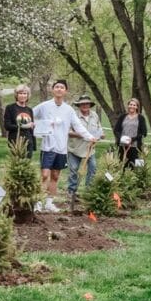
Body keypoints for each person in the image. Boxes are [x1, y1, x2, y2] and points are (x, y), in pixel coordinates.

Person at [32, 79, 97, 213]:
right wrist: (39, 126)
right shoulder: (44, 106)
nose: (59, 89)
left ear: (65, 91)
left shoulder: (69, 110)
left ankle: (49, 203)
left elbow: (78, 126)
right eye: (57, 87)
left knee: (55, 176)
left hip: (61, 148)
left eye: (62, 87)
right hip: (48, 147)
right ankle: (38, 202)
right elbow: (30, 115)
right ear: (53, 90)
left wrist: (89, 136)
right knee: (44, 175)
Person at [67, 93, 103, 200]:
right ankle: (71, 192)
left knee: (93, 168)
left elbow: (99, 129)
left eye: (87, 104)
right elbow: (68, 131)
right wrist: (81, 134)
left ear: (90, 105)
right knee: (73, 170)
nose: (85, 105)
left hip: (90, 148)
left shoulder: (95, 115)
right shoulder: (73, 116)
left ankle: (89, 191)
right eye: (82, 104)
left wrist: (100, 135)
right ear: (79, 105)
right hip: (75, 148)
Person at [3, 84, 36, 156]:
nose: (23, 95)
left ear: (28, 95)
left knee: (27, 164)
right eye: (20, 93)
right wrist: (23, 126)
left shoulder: (29, 110)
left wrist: (33, 144)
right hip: (15, 141)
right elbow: (7, 126)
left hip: (28, 141)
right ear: (16, 95)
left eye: (25, 93)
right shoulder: (10, 108)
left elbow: (31, 129)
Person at [113, 98, 147, 168]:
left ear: (137, 107)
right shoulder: (122, 117)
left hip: (136, 147)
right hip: (123, 146)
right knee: (122, 166)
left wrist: (132, 139)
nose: (132, 106)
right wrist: (121, 138)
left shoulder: (141, 118)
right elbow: (116, 130)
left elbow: (144, 133)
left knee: (137, 168)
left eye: (134, 105)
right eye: (130, 104)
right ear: (128, 106)